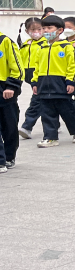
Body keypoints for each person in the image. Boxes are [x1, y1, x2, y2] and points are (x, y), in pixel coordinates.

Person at [32, 15, 75, 148]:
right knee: (47, 113)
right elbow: (36, 66)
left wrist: (71, 82)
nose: (46, 31)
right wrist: (35, 82)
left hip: (61, 85)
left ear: (60, 30)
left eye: (50, 28)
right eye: (44, 28)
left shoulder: (66, 47)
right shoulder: (41, 47)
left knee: (68, 112)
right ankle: (50, 137)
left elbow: (73, 66)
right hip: (44, 85)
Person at [0, 28, 23, 171]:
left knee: (9, 126)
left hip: (4, 90)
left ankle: (9, 156)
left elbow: (17, 67)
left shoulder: (5, 41)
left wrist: (12, 86)